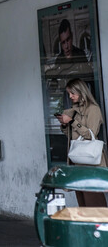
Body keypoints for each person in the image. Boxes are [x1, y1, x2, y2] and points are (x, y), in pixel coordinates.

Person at [56, 78, 107, 206]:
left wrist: (72, 122)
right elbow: (72, 136)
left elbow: (91, 134)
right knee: (82, 200)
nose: (70, 96)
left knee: (93, 200)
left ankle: (100, 225)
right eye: (69, 93)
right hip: (77, 160)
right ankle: (86, 225)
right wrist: (64, 125)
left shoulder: (93, 109)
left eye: (73, 93)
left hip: (90, 161)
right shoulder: (74, 110)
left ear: (81, 92)